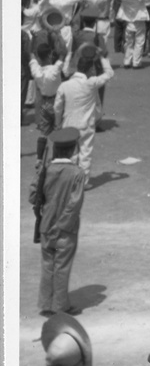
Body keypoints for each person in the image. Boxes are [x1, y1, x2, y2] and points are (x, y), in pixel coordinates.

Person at [31, 128, 87, 316]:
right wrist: (63, 225)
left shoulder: (45, 170)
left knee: (48, 265)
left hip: (46, 227)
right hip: (66, 230)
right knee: (62, 267)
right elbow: (74, 203)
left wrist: (38, 171)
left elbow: (33, 196)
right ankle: (60, 306)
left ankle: (46, 305)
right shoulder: (77, 173)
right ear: (72, 150)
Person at [53, 47, 114, 172]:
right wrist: (102, 57)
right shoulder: (91, 83)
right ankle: (83, 182)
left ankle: (70, 181)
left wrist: (57, 123)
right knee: (85, 155)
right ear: (91, 69)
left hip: (68, 125)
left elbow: (57, 107)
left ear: (77, 68)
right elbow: (109, 74)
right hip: (86, 125)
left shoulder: (64, 85)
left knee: (71, 154)